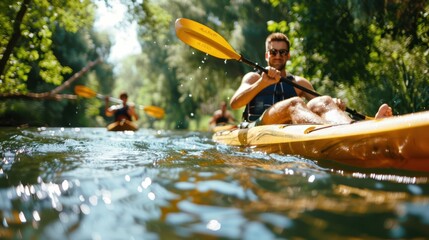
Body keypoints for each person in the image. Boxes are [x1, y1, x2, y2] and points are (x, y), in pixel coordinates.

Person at [230, 32, 392, 127]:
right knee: (295, 103)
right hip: (258, 126)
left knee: (324, 100)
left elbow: (323, 106)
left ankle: (356, 129)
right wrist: (262, 83)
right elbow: (235, 103)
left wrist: (336, 104)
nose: (278, 56)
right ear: (267, 55)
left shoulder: (299, 83)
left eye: (282, 52)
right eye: (273, 52)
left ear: (288, 55)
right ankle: (336, 133)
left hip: (289, 129)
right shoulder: (252, 78)